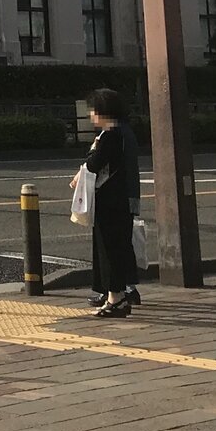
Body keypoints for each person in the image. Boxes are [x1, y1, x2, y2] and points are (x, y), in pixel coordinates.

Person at [72, 87, 140, 318]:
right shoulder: (125, 132)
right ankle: (121, 292)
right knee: (119, 247)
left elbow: (94, 164)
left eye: (93, 111)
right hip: (123, 198)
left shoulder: (109, 135)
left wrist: (92, 149)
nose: (91, 116)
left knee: (109, 249)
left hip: (110, 201)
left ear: (102, 111)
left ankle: (116, 298)